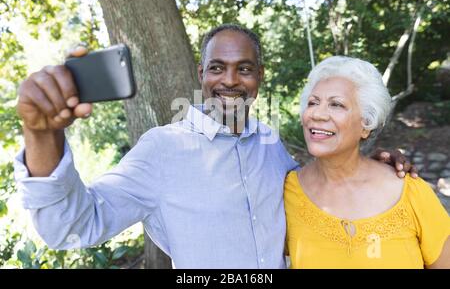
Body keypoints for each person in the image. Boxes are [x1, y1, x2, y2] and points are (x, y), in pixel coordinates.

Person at [15, 24, 416, 268]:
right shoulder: (161, 150)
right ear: (201, 73)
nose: (230, 80)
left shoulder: (269, 142)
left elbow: (311, 193)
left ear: (259, 76)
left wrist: (367, 168)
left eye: (244, 68)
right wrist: (41, 135)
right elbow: (70, 226)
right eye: (217, 68)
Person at [284, 56, 450, 269]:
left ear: (366, 124)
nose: (317, 113)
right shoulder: (286, 191)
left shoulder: (408, 190)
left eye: (336, 104)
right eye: (313, 102)